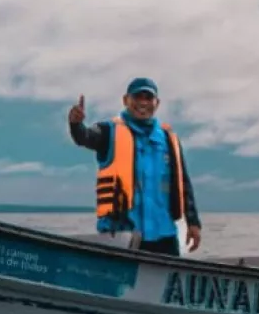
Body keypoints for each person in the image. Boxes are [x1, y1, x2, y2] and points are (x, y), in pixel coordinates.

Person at [67, 77, 202, 255]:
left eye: (148, 98)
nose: (143, 103)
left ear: (157, 103)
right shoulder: (109, 131)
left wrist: (193, 222)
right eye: (137, 97)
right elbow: (85, 137)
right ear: (126, 100)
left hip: (164, 235)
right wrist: (76, 125)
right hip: (122, 235)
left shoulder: (169, 139)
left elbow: (183, 183)